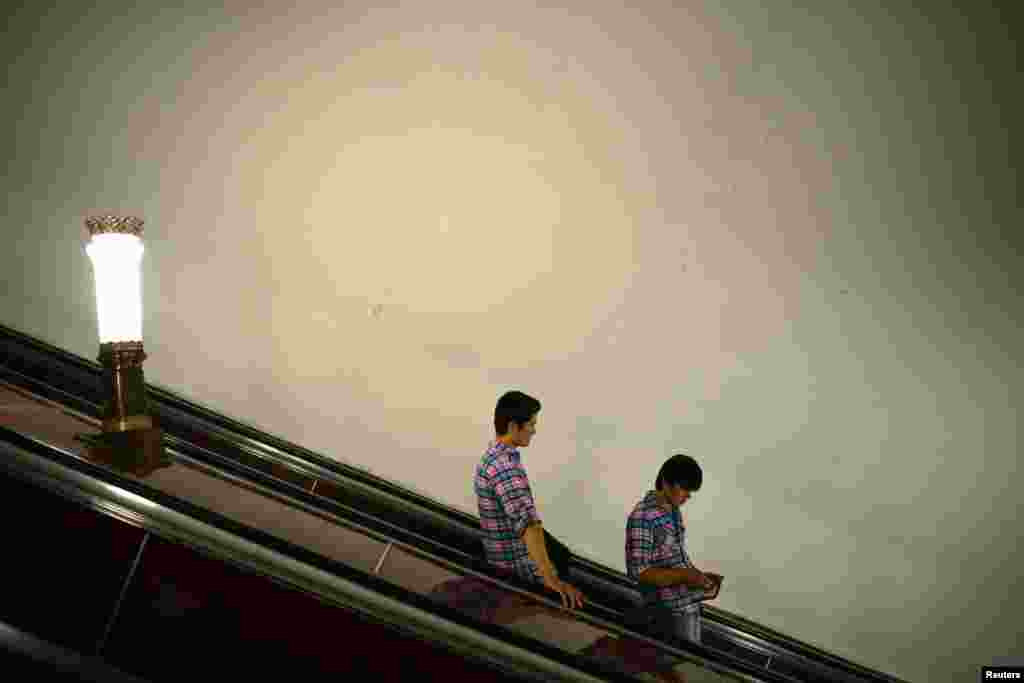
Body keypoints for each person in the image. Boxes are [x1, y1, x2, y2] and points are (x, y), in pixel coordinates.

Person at [474, 390, 585, 609]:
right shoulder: (505, 469)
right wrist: (550, 580)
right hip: (517, 571)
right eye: (531, 424)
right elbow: (528, 526)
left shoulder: (492, 457)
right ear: (514, 426)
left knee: (562, 553)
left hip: (505, 560)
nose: (535, 430)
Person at [623, 454, 722, 679]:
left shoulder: (672, 511)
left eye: (691, 491)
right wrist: (685, 576)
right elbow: (640, 572)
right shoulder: (643, 517)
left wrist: (698, 578)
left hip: (686, 609)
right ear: (666, 482)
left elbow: (673, 559)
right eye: (684, 488)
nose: (688, 496)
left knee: (685, 671)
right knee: (671, 674)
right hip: (667, 615)